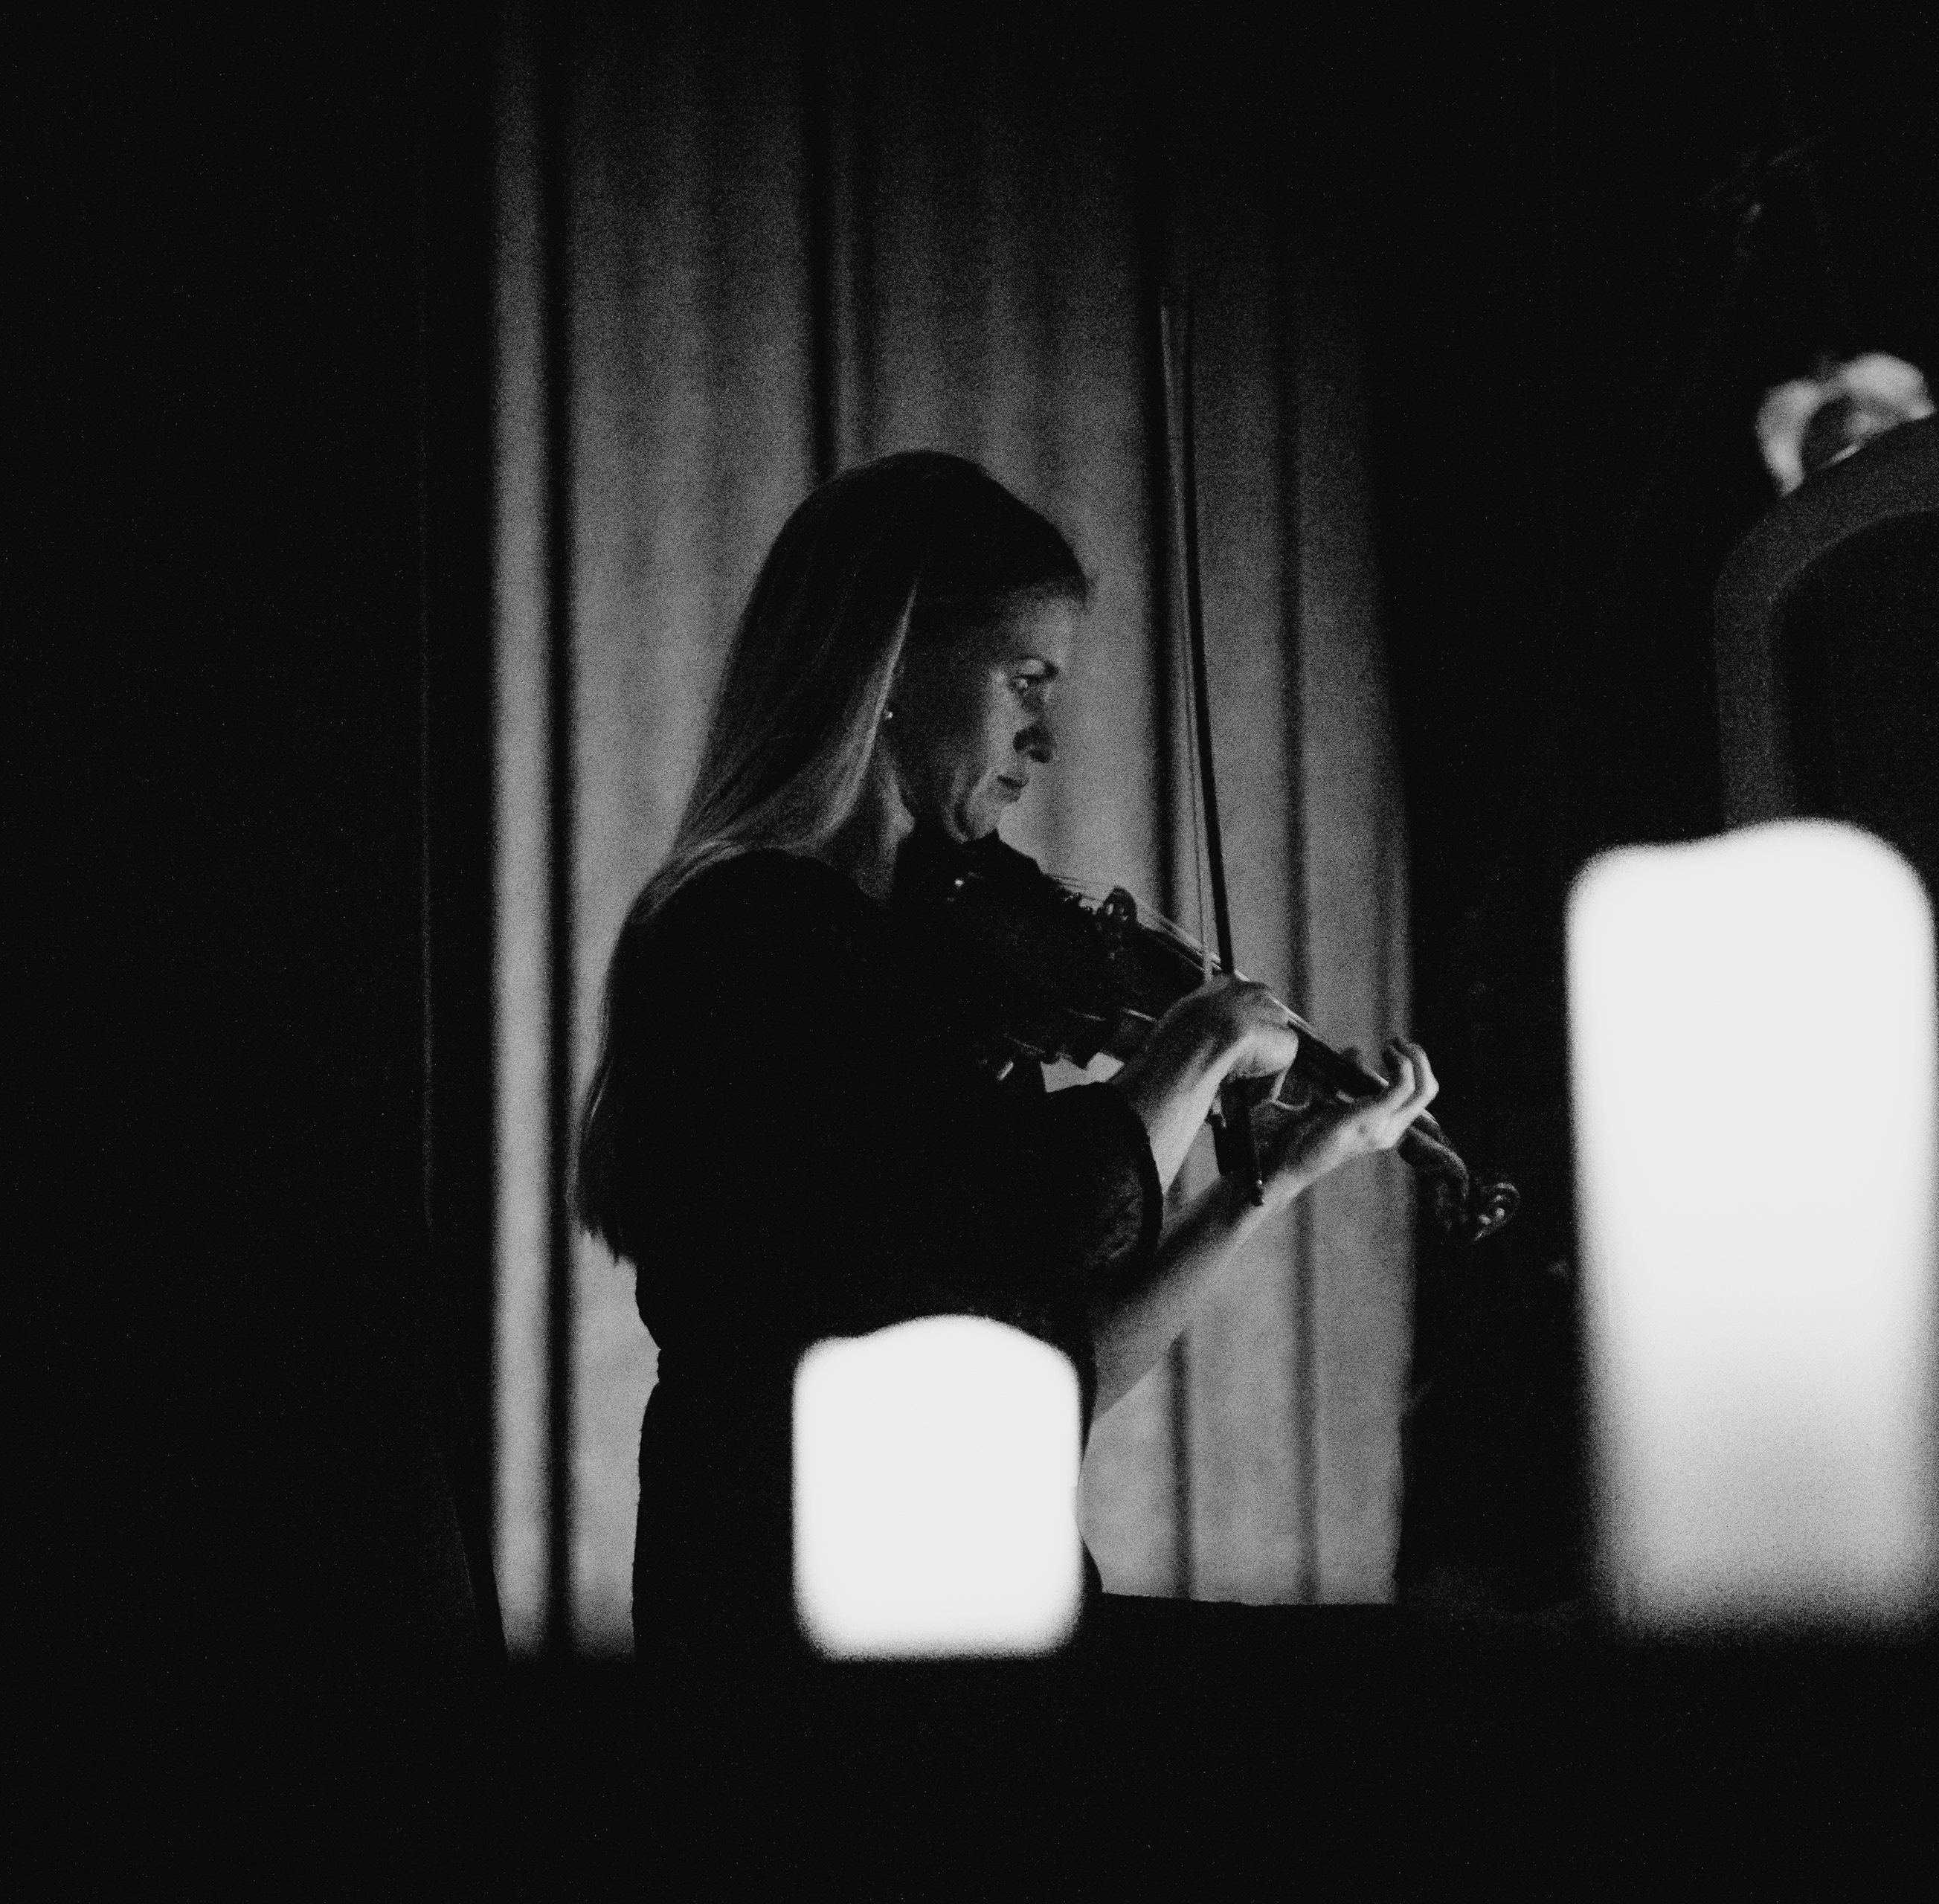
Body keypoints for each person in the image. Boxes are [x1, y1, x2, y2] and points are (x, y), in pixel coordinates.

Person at [574, 449, 1441, 1665]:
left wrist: (1265, 1185)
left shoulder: (923, 946)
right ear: (890, 662)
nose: (1046, 738)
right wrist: (1194, 1047)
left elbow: (1044, 1373)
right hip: (807, 1638)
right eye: (1024, 679)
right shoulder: (750, 933)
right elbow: (1046, 1212)